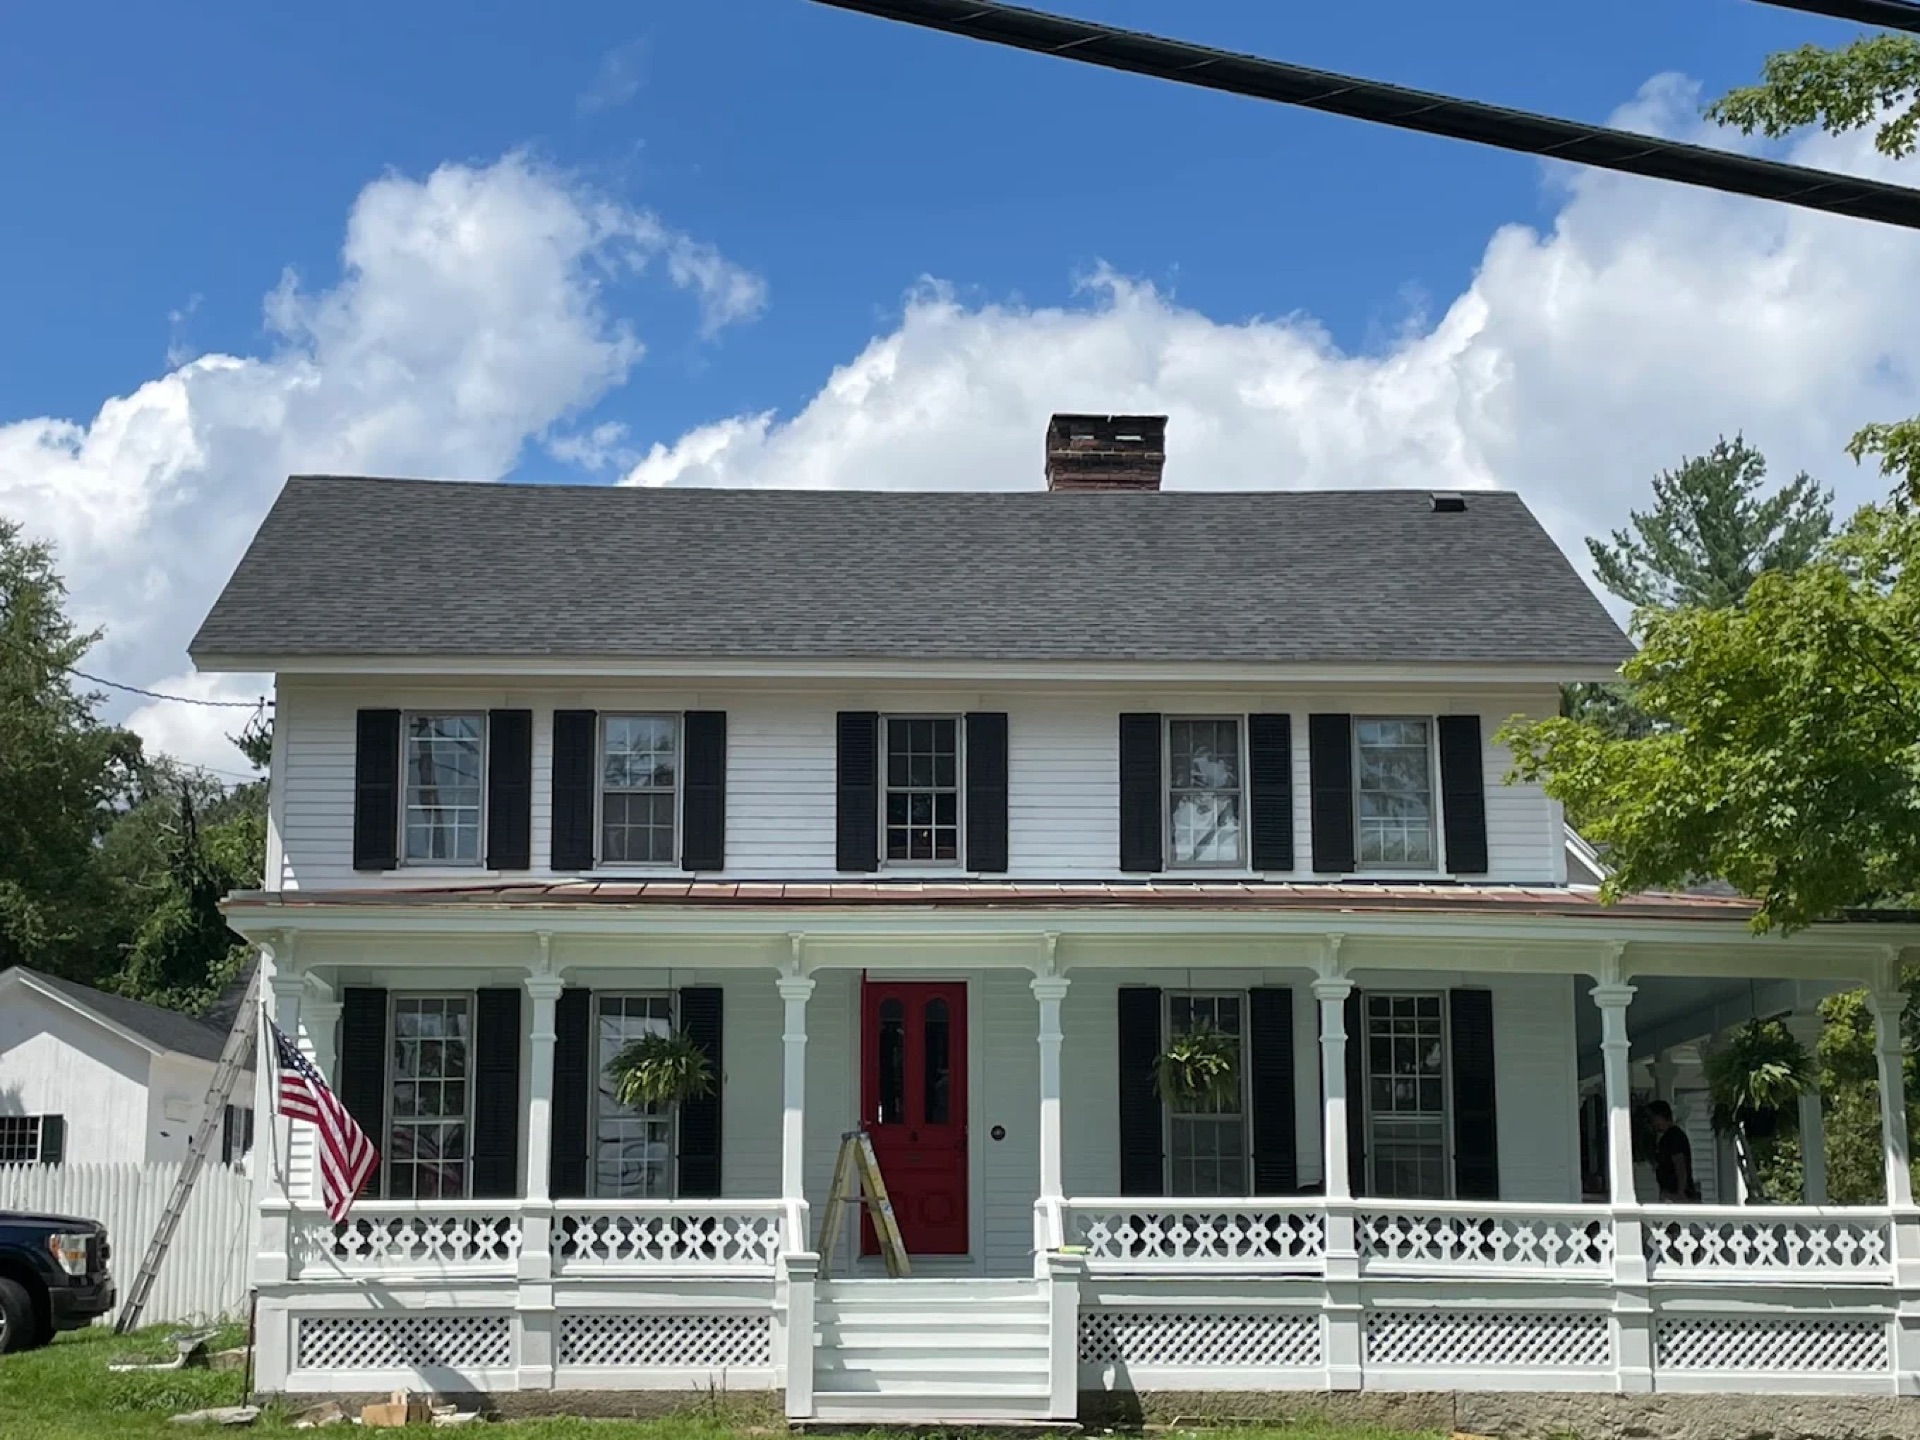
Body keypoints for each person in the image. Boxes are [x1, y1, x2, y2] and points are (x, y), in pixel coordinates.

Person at [1648, 1100, 1699, 1203]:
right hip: (1669, 1193)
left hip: (1677, 1195)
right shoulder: (1664, 1138)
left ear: (1660, 1117)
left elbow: (1680, 1164)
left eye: (1653, 1118)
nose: (1652, 1122)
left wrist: (1680, 1192)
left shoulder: (1674, 1137)